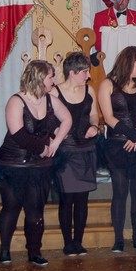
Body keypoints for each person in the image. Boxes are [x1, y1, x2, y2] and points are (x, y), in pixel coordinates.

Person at [0, 60, 72, 266]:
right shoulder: (16, 101)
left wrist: (56, 142)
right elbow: (19, 135)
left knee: (36, 210)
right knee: (11, 207)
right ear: (39, 78)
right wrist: (44, 148)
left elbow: (67, 119)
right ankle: (5, 250)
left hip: (39, 166)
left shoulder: (50, 99)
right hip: (14, 164)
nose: (54, 80)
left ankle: (34, 251)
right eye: (51, 76)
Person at [98, 46, 136, 252]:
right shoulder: (107, 84)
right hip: (118, 145)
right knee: (120, 192)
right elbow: (108, 117)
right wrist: (130, 134)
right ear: (129, 63)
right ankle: (118, 240)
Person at [52, 53, 100, 256]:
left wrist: (94, 126)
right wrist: (56, 131)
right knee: (66, 199)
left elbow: (94, 115)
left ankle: (78, 242)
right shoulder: (55, 92)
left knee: (82, 199)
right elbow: (47, 119)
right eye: (85, 72)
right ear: (72, 73)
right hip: (65, 152)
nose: (88, 76)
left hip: (85, 150)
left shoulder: (90, 90)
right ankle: (68, 243)